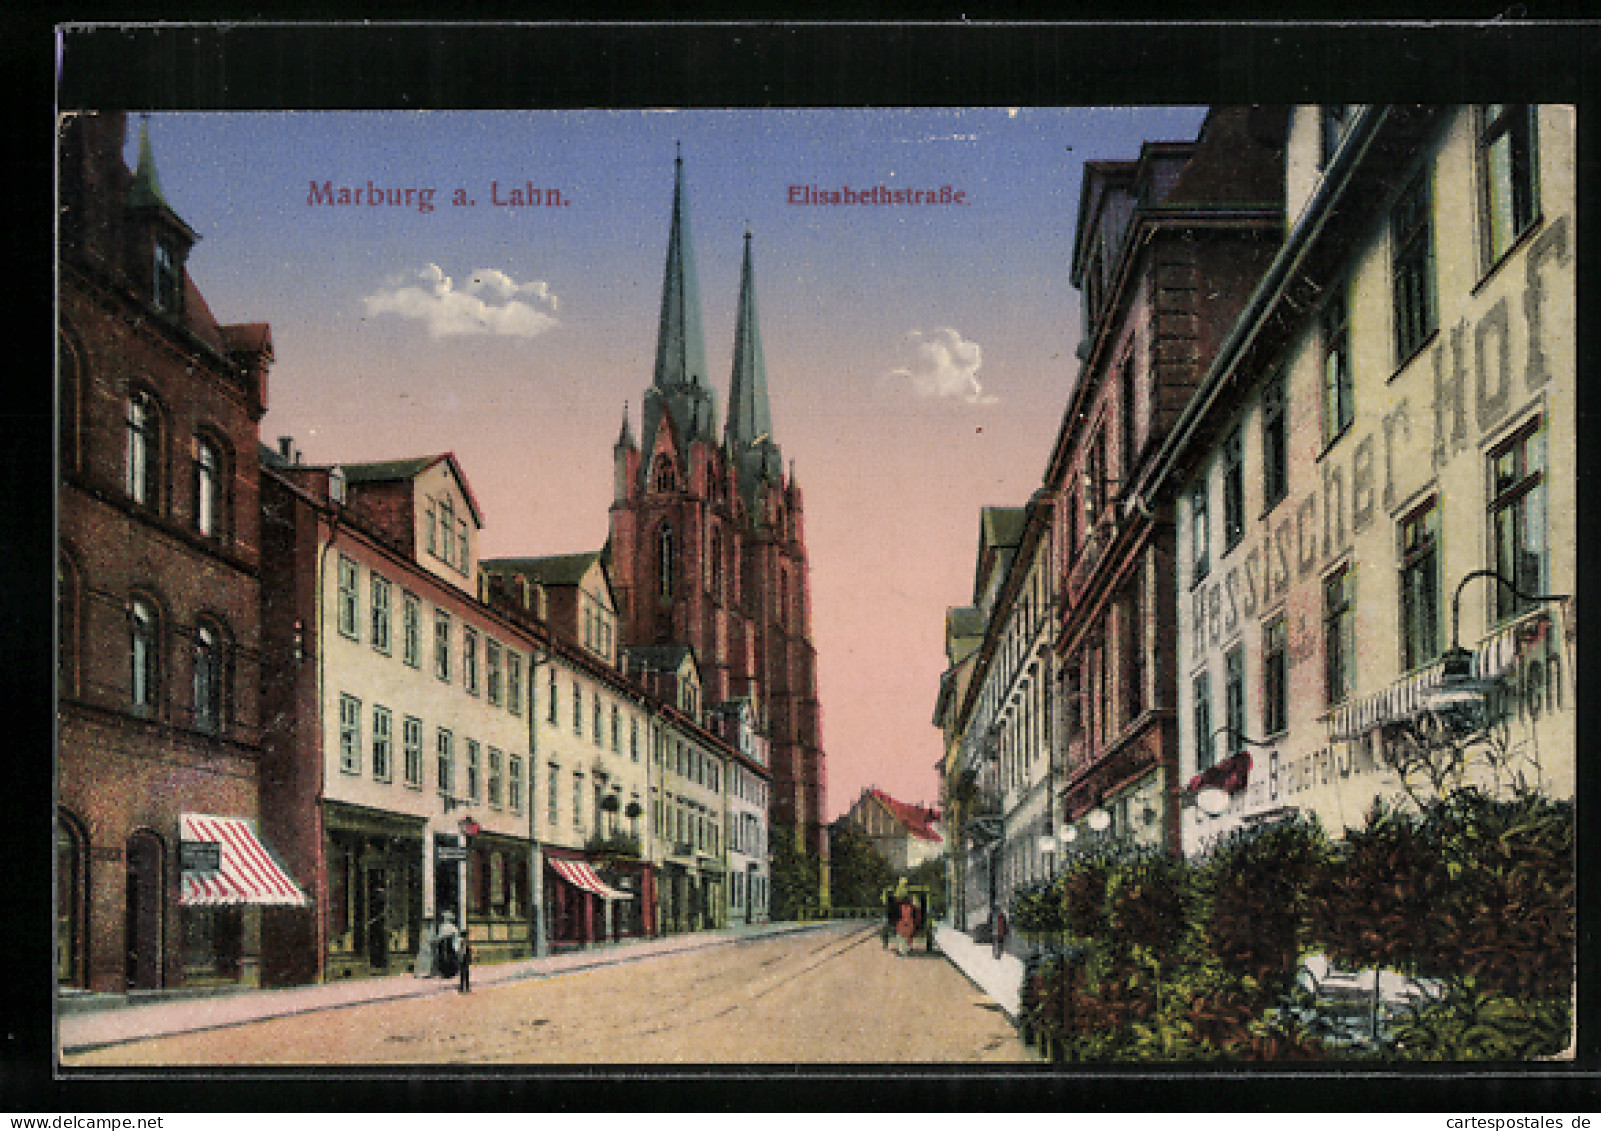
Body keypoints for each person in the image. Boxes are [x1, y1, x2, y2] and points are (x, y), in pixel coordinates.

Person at [435, 910, 461, 981]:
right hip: (449, 945)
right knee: (450, 958)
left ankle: (445, 972)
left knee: (446, 958)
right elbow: (456, 935)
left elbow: (440, 936)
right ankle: (450, 972)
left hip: (445, 945)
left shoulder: (443, 927)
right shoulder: (452, 927)